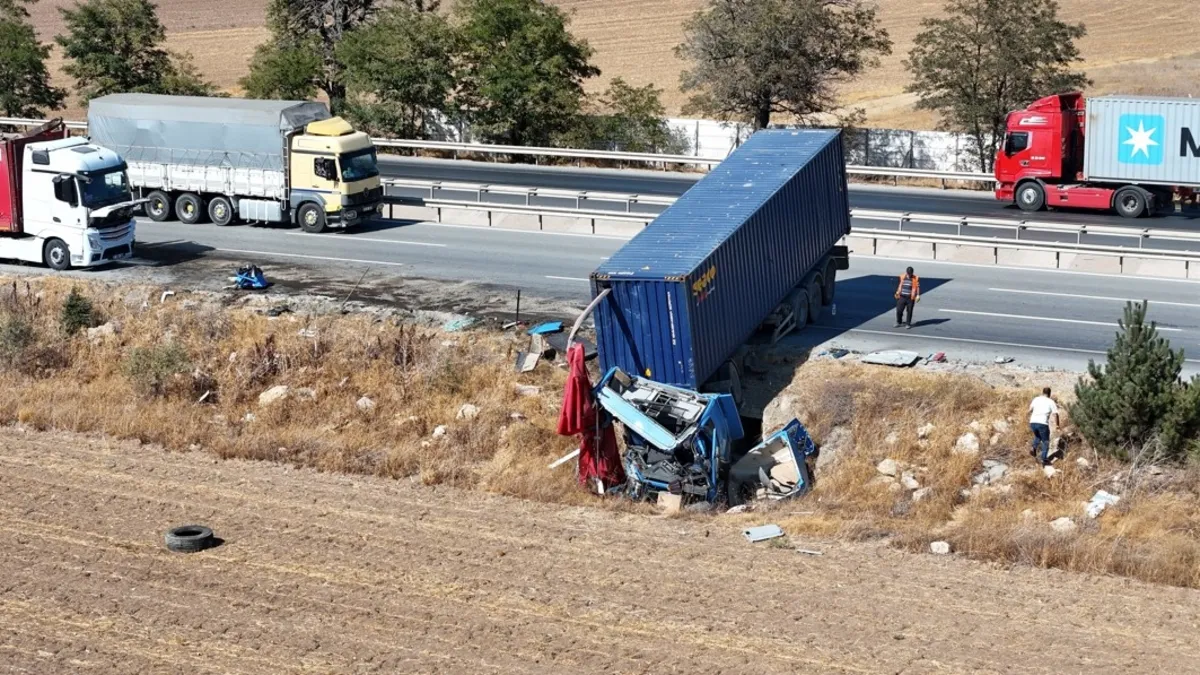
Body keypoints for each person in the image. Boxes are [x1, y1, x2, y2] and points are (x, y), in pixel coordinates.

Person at [1029, 387, 1060, 466]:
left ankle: (1033, 447)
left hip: (1033, 422)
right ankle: (1044, 459)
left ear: (1042, 392)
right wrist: (1057, 425)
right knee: (1046, 441)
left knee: (1038, 436)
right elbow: (1055, 414)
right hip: (1042, 423)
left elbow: (1030, 410)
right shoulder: (1050, 401)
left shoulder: (1036, 399)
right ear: (1049, 394)